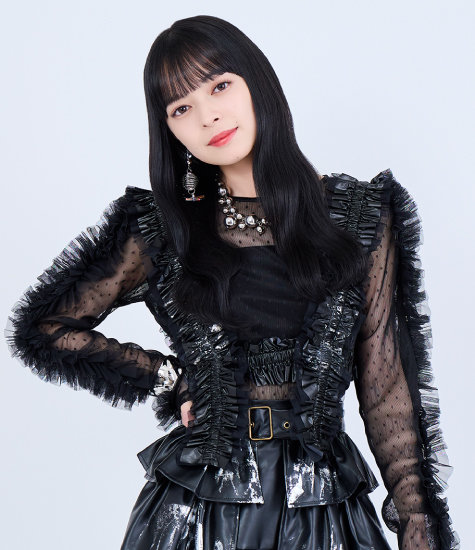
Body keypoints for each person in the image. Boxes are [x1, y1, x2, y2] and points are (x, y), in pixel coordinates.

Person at [5, 14, 459, 550]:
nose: (208, 116)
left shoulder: (359, 217)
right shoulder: (161, 228)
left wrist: (419, 526)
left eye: (219, 85)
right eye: (181, 108)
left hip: (323, 511)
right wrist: (169, 379)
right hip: (199, 512)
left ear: (256, 81)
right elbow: (44, 327)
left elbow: (389, 391)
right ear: (170, 129)